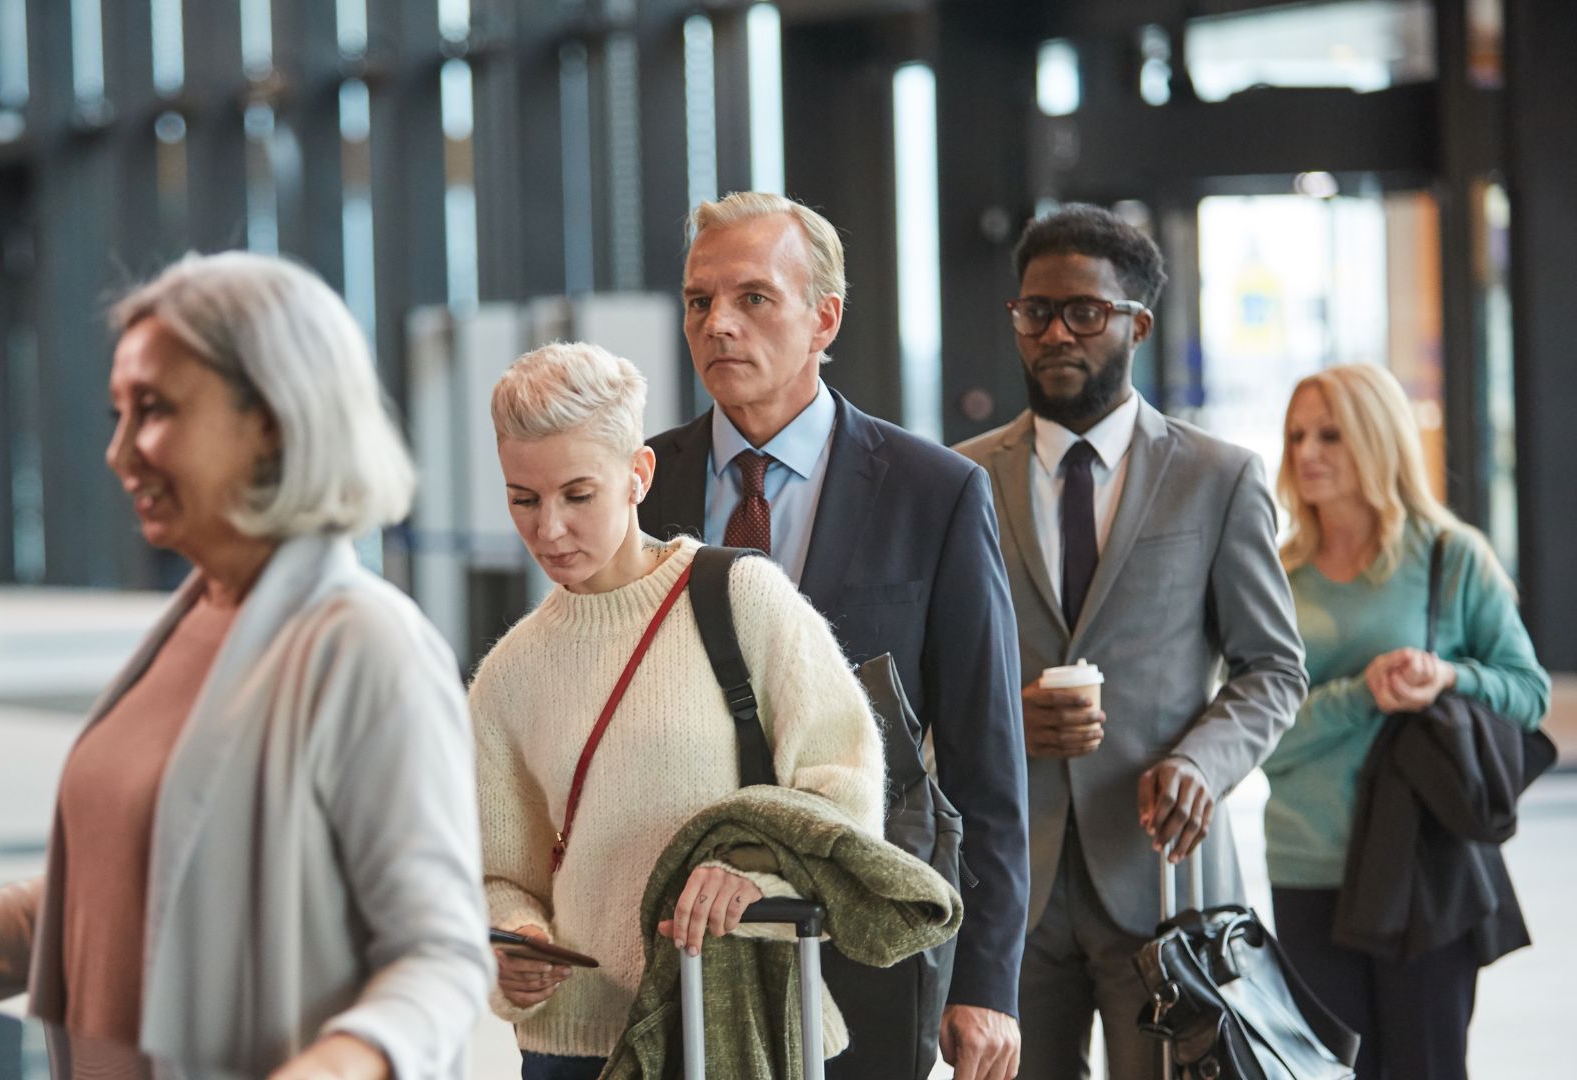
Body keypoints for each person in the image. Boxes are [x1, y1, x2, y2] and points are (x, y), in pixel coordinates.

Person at [0, 252, 490, 1080]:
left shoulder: (367, 647)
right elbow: (98, 906)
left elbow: (442, 956)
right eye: (117, 412)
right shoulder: (194, 620)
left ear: (274, 419)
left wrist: (339, 1066)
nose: (119, 452)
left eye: (155, 410)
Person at [639, 191, 1029, 1080]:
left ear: (825, 318)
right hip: (679, 931)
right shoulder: (643, 488)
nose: (718, 325)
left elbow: (986, 763)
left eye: (752, 299)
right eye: (700, 301)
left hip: (863, 936)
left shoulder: (936, 494)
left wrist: (989, 980)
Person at [953, 203, 1307, 1080]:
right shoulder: (957, 480)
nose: (1055, 333)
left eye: (1085, 312)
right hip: (1008, 886)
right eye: (1035, 312)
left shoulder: (1217, 478)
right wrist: (1001, 717)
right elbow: (927, 677)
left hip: (1163, 880)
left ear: (1137, 323)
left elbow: (1272, 667)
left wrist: (1203, 764)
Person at [473, 341, 885, 1080]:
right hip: (576, 1050)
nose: (549, 530)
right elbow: (497, 872)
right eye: (523, 499)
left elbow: (847, 791)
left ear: (637, 476)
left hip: (739, 1023)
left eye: (577, 494)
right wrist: (516, 938)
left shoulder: (741, 600)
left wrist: (758, 872)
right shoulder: (510, 672)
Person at [1262, 364, 1550, 1080]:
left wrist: (1447, 676)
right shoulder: (1274, 575)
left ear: (1378, 439)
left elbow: (1529, 693)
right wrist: (1362, 694)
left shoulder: (1453, 560)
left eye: (1331, 433)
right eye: (1297, 435)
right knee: (1327, 1071)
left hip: (1423, 866)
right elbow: (1259, 737)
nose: (1307, 453)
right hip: (1307, 865)